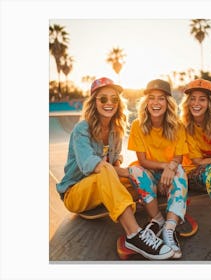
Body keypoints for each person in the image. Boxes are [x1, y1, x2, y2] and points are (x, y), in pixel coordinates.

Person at [56, 77, 174, 260]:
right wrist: (129, 172)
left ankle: (160, 215)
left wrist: (136, 175)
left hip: (104, 187)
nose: (109, 103)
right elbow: (92, 165)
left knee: (139, 175)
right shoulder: (82, 129)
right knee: (110, 170)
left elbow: (116, 166)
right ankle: (134, 235)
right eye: (103, 99)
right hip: (77, 193)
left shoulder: (115, 131)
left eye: (114, 99)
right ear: (94, 102)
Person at [127, 79, 189, 259]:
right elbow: (143, 160)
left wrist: (171, 168)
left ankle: (169, 229)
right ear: (146, 102)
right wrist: (165, 166)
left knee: (179, 170)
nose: (156, 103)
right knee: (134, 170)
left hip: (171, 179)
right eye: (151, 98)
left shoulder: (177, 126)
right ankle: (157, 219)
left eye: (161, 98)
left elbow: (178, 156)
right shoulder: (138, 125)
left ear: (167, 102)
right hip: (151, 176)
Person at [180, 78, 211, 222]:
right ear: (188, 102)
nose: (196, 103)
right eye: (193, 99)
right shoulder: (185, 126)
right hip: (192, 173)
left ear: (209, 103)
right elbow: (197, 161)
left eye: (202, 99)